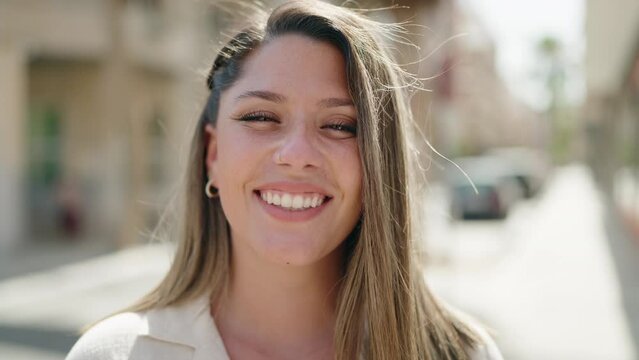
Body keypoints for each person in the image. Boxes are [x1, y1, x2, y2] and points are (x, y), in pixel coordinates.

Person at [67, 1, 503, 359]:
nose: (296, 155)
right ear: (213, 154)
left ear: (377, 165)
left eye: (339, 125)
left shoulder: (461, 354)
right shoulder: (114, 354)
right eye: (260, 117)